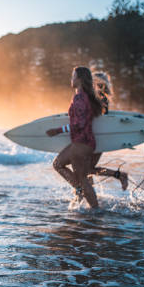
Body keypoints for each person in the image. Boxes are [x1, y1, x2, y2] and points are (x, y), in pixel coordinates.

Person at [46, 67, 103, 208]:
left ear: (80, 79)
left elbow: (80, 123)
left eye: (73, 76)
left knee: (77, 176)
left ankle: (94, 209)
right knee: (79, 175)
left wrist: (57, 130)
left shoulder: (80, 97)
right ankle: (83, 196)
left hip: (81, 143)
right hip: (85, 142)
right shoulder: (84, 96)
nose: (71, 79)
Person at [89, 72, 128, 190]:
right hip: (95, 136)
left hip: (97, 137)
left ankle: (120, 175)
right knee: (86, 169)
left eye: (94, 82)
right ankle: (83, 193)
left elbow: (99, 119)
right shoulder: (98, 97)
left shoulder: (100, 98)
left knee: (86, 169)